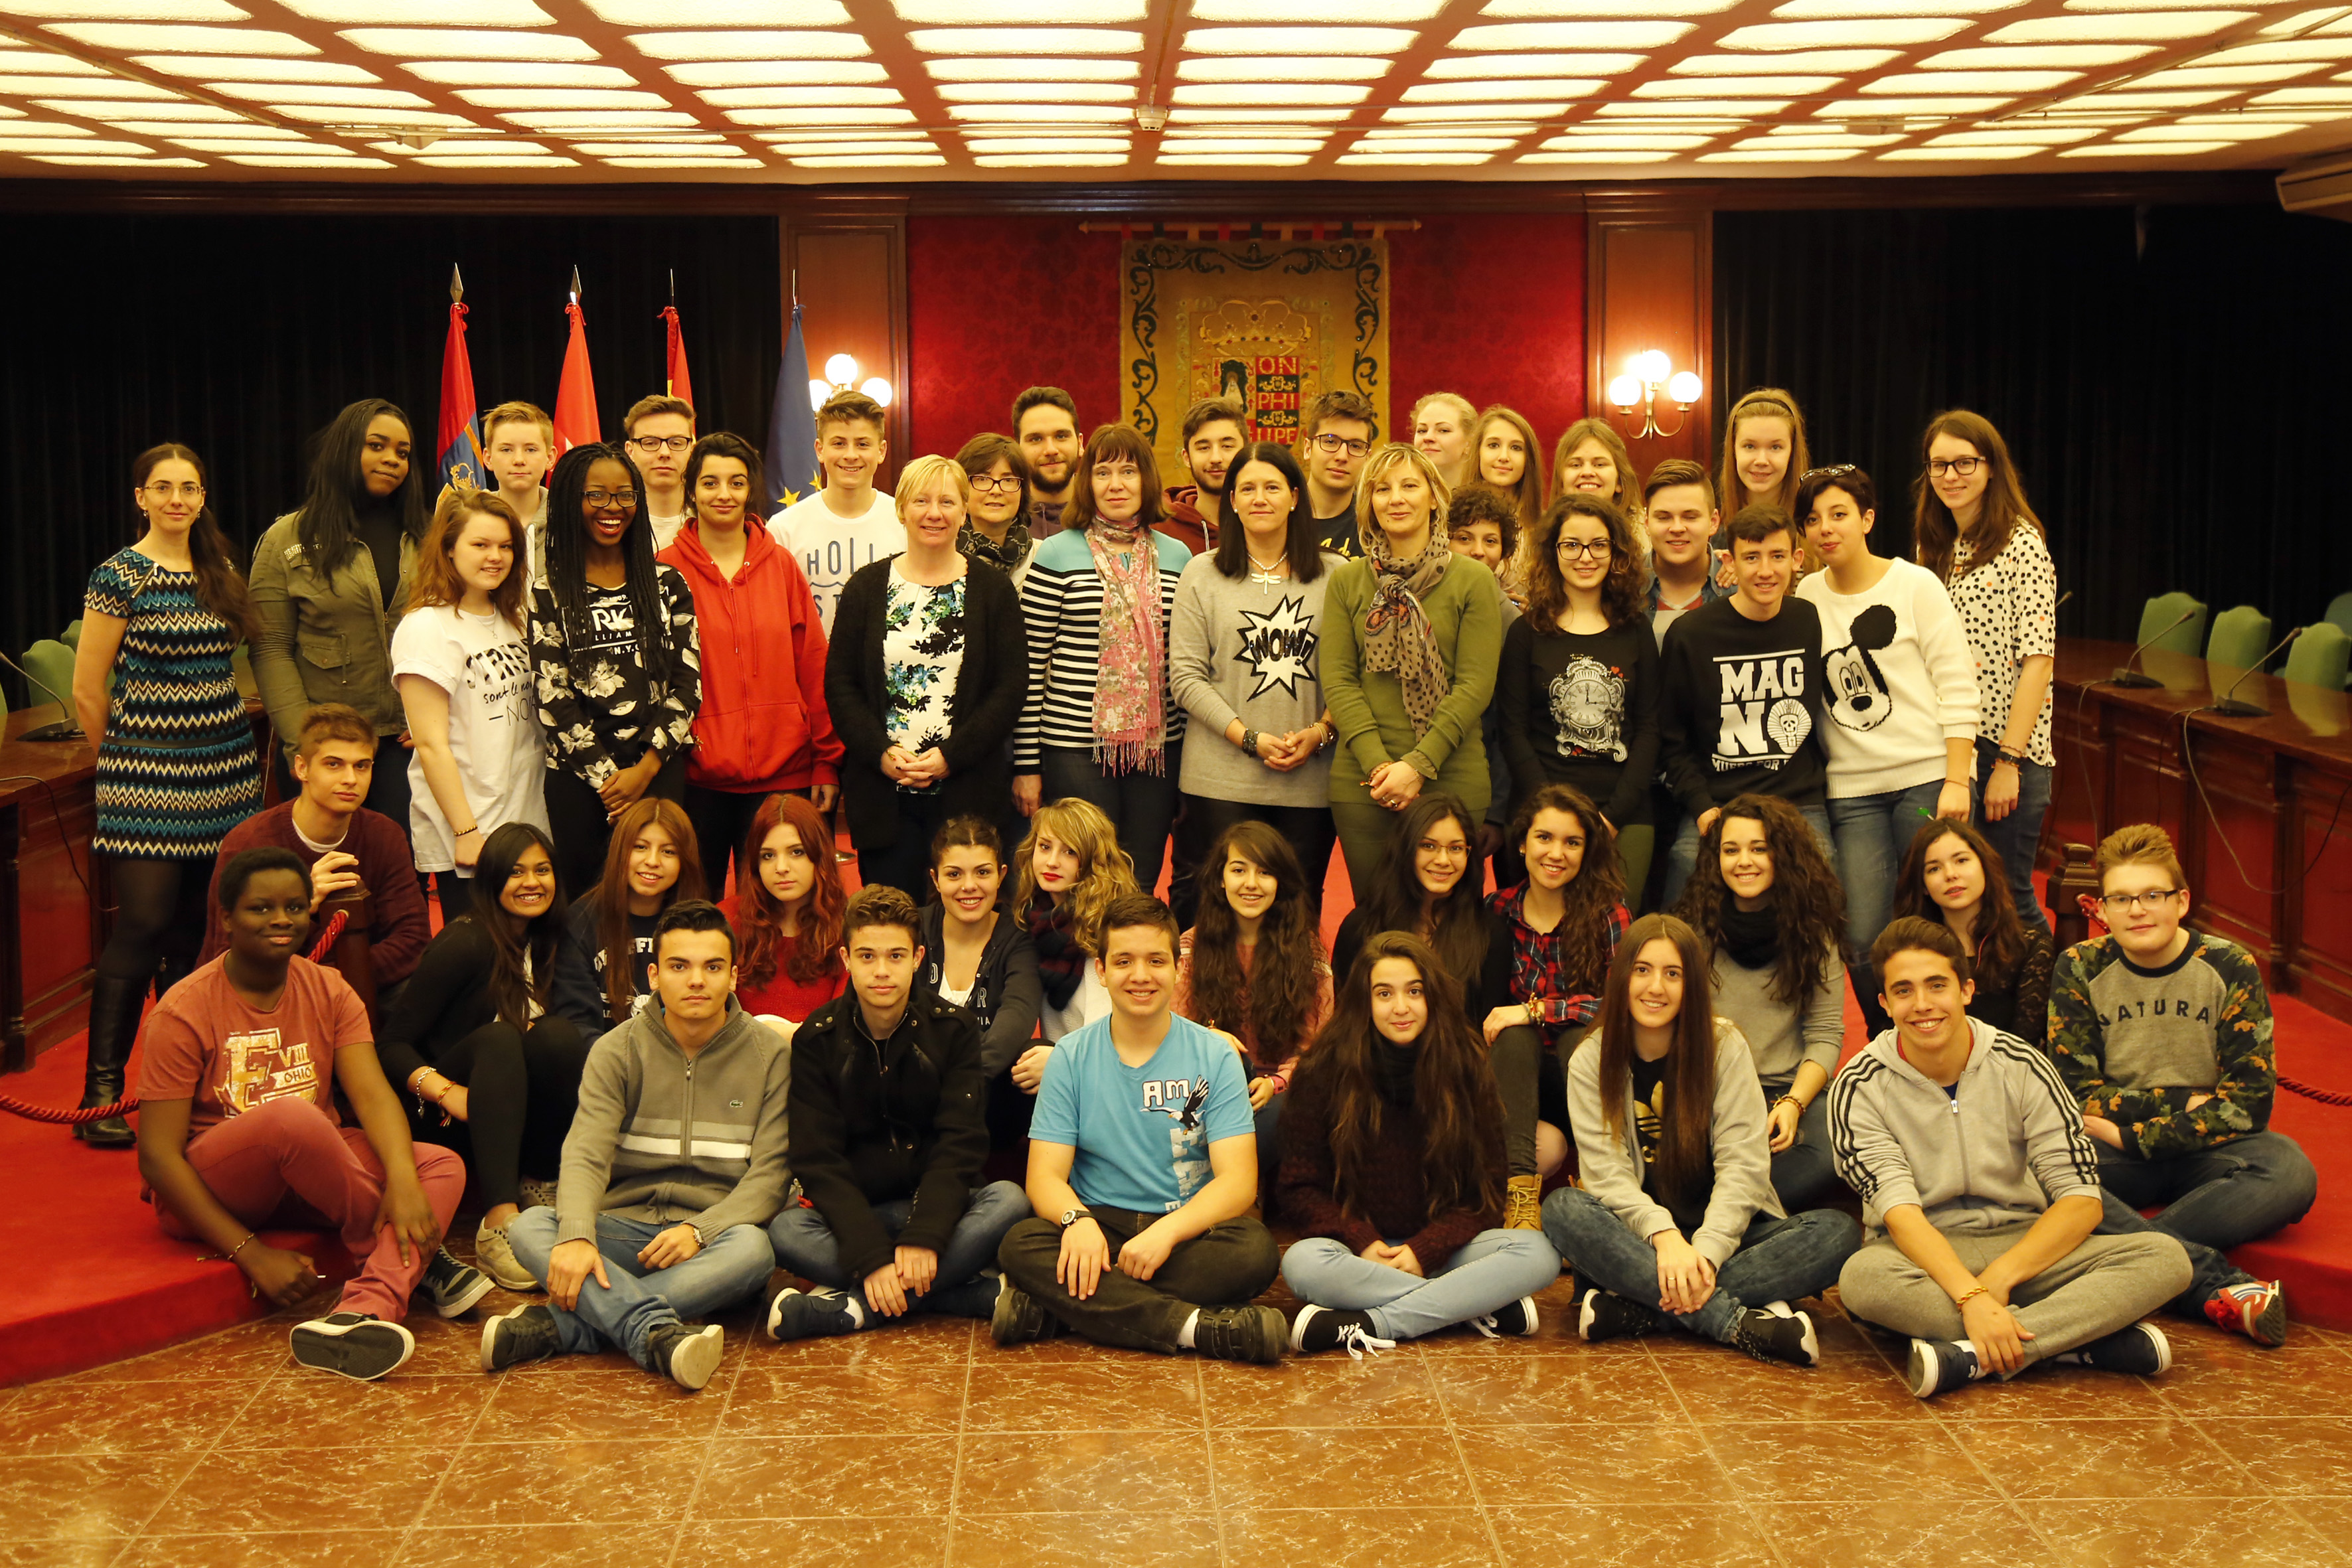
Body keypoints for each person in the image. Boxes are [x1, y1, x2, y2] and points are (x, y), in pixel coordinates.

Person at [137, 848, 478, 1381]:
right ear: (226, 918)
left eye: (295, 907)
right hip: (215, 1186)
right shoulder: (182, 1011)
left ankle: (365, 1310)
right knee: (292, 1119)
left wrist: (404, 1180)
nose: (281, 920)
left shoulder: (328, 988)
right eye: (261, 908)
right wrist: (251, 1254)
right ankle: (413, 1256)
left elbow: (372, 1096)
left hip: (313, 1169)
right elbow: (158, 1158)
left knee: (439, 1165)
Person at [1832, 917, 2191, 1399]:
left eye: (1936, 985)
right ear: (1884, 1004)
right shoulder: (1859, 1085)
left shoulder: (2022, 1064)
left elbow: (2082, 1200)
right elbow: (1900, 1215)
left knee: (2164, 1258)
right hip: (1922, 1254)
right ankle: (2075, 1342)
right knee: (1862, 1280)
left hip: (2025, 1247)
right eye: (1903, 991)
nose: (1921, 1004)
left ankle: (1972, 1355)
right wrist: (1970, 1295)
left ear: (1966, 990)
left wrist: (1996, 1284)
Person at [489, 901, 793, 1391]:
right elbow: (586, 1153)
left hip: (712, 1241)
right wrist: (579, 1235)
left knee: (755, 1249)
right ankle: (652, 1332)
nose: (697, 981)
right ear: (654, 976)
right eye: (679, 966)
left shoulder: (771, 1055)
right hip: (624, 1231)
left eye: (713, 967)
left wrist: (701, 1230)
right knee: (530, 1226)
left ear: (734, 976)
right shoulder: (617, 1049)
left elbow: (772, 1176)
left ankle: (568, 1326)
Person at [1543, 914, 1860, 1363]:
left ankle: (1638, 1309)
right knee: (1563, 1210)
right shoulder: (1590, 1060)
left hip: (1727, 1239)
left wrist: (1706, 1254)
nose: (1656, 987)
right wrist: (1665, 1238)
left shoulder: (1724, 1046)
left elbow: (1744, 1168)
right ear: (1621, 978)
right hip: (1640, 1240)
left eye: (1672, 974)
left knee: (1836, 1233)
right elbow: (1606, 1176)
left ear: (1691, 984)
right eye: (1642, 970)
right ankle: (1735, 1322)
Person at [2047, 823, 2315, 1346]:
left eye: (2152, 895)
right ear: (2101, 910)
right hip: (2112, 1151)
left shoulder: (2227, 965)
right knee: (2033, 1171)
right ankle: (2206, 1280)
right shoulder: (2079, 966)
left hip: (2204, 1147)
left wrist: (2134, 1135)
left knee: (2288, 1171)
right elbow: (2076, 1094)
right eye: (2121, 899)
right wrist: (2179, 1104)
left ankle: (2123, 1258)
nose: (2137, 910)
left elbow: (2248, 1105)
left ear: (2182, 901)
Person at [70, 442, 266, 1147]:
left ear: (203, 497)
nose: (177, 499)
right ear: (141, 497)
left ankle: (177, 1088)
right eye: (163, 487)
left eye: (189, 487)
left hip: (226, 773)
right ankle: (100, 1094)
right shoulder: (118, 575)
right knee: (143, 925)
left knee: (196, 933)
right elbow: (87, 689)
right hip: (143, 778)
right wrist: (124, 758)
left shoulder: (222, 570)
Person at [992, 894, 1287, 1361]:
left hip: (1185, 1230)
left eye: (1156, 961)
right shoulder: (1069, 1057)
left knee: (1254, 1252)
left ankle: (1066, 1310)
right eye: (1124, 961)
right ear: (1102, 970)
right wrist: (1077, 1222)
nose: (1141, 976)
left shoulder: (1216, 1055)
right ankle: (1197, 1328)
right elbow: (1044, 1178)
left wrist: (1166, 1234)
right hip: (1098, 1223)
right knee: (1019, 1244)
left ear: (1177, 969)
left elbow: (1237, 1182)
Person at [765, 885, 1033, 1338]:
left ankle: (855, 1308)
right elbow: (817, 1160)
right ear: (847, 960)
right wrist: (870, 1256)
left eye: (895, 956)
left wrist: (925, 1234)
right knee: (786, 1230)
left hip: (936, 1205)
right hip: (859, 1211)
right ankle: (959, 1295)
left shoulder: (955, 1029)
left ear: (917, 958)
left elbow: (960, 1143)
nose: (881, 971)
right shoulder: (816, 1037)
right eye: (867, 957)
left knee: (1008, 1201)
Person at [1281, 932, 1561, 1354]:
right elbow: (1299, 1188)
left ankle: (1371, 1323)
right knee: (1302, 1263)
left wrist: (1426, 1249)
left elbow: (1486, 1195)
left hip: (1444, 1250)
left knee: (1538, 1253)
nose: (1401, 1007)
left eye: (1414, 991)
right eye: (1384, 993)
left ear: (1432, 996)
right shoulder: (1323, 1069)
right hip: (1358, 1252)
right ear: (1363, 1001)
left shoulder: (1466, 1065)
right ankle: (1470, 1305)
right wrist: (1359, 1238)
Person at [1794, 464, 1979, 1030]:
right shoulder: (1805, 595)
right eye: (1812, 520)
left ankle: (1955, 1040)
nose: (1826, 529)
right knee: (1861, 936)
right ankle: (1890, 1043)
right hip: (1852, 792)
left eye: (1839, 515)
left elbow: (1957, 683)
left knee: (1940, 920)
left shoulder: (1914, 584)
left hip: (1927, 778)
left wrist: (1956, 779)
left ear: (1868, 518)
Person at [377, 823, 589, 1293]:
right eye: (515, 872)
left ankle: (540, 1182)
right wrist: (447, 1092)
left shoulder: (549, 939)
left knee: (558, 1036)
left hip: (509, 1113)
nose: (531, 882)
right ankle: (497, 1224)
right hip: (444, 1113)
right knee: (499, 1039)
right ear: (491, 878)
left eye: (542, 870)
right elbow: (390, 1044)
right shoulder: (466, 942)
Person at [829, 453, 1027, 899]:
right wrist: (881, 753)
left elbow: (1010, 686)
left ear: (964, 511)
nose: (934, 513)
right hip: (884, 793)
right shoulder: (865, 587)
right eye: (921, 500)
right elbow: (841, 685)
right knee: (890, 919)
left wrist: (950, 757)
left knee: (966, 918)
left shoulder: (993, 590)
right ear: (901, 509)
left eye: (947, 502)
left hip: (968, 791)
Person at [1167, 440, 1340, 927]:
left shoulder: (1337, 576)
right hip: (1217, 781)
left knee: (1294, 918)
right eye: (1247, 488)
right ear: (1233, 501)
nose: (1259, 498)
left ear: (1295, 497)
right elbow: (1186, 678)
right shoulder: (1201, 573)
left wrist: (1321, 732)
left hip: (1309, 783)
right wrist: (1248, 738)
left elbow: (1352, 676)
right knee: (1211, 915)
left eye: (1272, 487)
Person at [660, 431, 840, 898]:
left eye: (736, 483)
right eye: (710, 483)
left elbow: (813, 666)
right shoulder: (664, 569)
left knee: (777, 911)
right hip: (698, 780)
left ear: (750, 489)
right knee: (695, 909)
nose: (723, 494)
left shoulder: (780, 565)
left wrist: (826, 762)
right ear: (691, 489)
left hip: (784, 776)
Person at [1014, 424, 1192, 892]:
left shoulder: (1178, 556)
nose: (1116, 484)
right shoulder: (1056, 553)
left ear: (1147, 478)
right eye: (1103, 472)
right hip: (1074, 747)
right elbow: (1029, 667)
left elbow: (1189, 662)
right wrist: (1026, 765)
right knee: (1085, 879)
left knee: (1141, 876)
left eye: (1128, 471)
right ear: (1086, 481)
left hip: (1159, 749)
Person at [1320, 443, 1502, 899]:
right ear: (1369, 504)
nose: (1396, 499)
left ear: (1434, 498)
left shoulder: (1474, 580)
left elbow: (1475, 685)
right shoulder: (1346, 580)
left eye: (1409, 486)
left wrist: (1418, 766)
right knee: (1376, 917)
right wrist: (1382, 768)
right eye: (1382, 489)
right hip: (1365, 782)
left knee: (1450, 920)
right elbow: (1339, 682)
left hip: (1453, 773)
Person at [529, 441, 699, 902]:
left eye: (625, 495)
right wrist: (609, 781)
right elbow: (552, 696)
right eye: (597, 495)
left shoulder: (668, 584)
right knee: (589, 909)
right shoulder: (548, 592)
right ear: (571, 501)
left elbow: (688, 685)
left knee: (659, 903)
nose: (613, 507)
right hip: (579, 783)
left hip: (656, 770)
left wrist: (643, 772)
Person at [248, 397, 425, 826]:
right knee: (326, 864)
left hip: (407, 743)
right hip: (323, 748)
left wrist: (437, 721)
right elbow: (270, 648)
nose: (392, 459)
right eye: (376, 446)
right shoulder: (286, 537)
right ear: (346, 448)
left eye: (402, 452)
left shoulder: (429, 533)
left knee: (401, 861)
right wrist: (304, 742)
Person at [1915, 409, 2059, 932]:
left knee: (2009, 899)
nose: (1950, 476)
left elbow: (2038, 661)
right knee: (1955, 902)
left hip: (2005, 751)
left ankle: (2052, 987)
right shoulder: (1933, 546)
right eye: (1938, 465)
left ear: (1990, 466)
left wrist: (2008, 763)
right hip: (1950, 746)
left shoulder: (2022, 544)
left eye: (1964, 463)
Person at [1676, 795, 1849, 1210]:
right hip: (1709, 1087)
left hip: (1783, 1089)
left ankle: (1720, 1212)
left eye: (1759, 848)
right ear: (1716, 859)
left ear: (1782, 855)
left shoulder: (1815, 933)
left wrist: (1794, 1104)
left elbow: (1825, 1035)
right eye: (1731, 850)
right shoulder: (1692, 929)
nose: (1744, 862)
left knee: (1834, 1148)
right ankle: (1742, 1214)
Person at [1655, 502, 1832, 907]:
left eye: (1777, 556)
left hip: (1798, 801)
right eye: (1752, 558)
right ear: (1730, 563)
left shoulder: (1808, 620)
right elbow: (1672, 740)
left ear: (1797, 559)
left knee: (1824, 886)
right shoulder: (1691, 635)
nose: (1765, 570)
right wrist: (1701, 808)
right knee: (1684, 877)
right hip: (1719, 801)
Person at [198, 704, 431, 996]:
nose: (351, 779)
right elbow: (229, 955)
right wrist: (300, 906)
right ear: (302, 768)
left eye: (361, 765)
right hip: (267, 996)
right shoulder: (248, 843)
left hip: (356, 986)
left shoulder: (385, 835)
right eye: (334, 764)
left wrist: (332, 982)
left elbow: (413, 939)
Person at [392, 486, 547, 922]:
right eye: (480, 545)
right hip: (471, 828)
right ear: (448, 549)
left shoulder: (516, 616)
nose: (495, 557)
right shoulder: (427, 626)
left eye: (505, 546)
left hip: (527, 818)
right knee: (483, 953)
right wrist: (466, 831)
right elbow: (430, 745)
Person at [1499, 493, 1661, 900]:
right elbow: (1513, 731)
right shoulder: (1525, 632)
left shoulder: (1637, 629)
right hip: (1543, 808)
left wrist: (1612, 817)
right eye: (1571, 545)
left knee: (1617, 930)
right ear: (1553, 552)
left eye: (1598, 545)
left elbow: (1650, 729)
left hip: (1623, 812)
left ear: (1616, 552)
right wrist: (1555, 814)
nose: (1585, 557)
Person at [1484, 785, 1630, 1214]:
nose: (1556, 853)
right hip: (1514, 1082)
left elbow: (1623, 1004)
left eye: (1572, 842)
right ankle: (1518, 1199)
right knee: (1514, 1038)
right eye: (1544, 838)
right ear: (1522, 843)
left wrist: (1536, 1010)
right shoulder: (1495, 909)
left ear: (1586, 852)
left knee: (1578, 1038)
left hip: (1587, 1080)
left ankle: (1599, 1187)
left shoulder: (1610, 913)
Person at [1177, 821, 1334, 1200]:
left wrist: (1276, 1083)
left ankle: (1236, 1196)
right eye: (1239, 870)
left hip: (1280, 1091)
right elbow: (1172, 1030)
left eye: (1265, 872)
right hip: (1209, 1084)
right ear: (1220, 879)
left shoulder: (1307, 951)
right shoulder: (1192, 947)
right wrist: (1208, 1038)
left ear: (1280, 882)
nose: (1251, 884)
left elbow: (1318, 1047)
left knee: (1279, 1114)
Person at [914, 817, 1044, 1148]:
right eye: (954, 874)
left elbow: (1016, 1019)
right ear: (936, 879)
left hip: (986, 1097)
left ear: (1001, 875)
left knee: (1038, 1056)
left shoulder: (1019, 938)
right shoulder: (913, 929)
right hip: (913, 1088)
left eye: (982, 873)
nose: (969, 886)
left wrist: (954, 1083)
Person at [552, 797, 707, 1037]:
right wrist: (621, 1058)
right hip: (602, 1056)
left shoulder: (702, 925)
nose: (652, 861)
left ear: (684, 861)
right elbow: (576, 1025)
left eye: (668, 851)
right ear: (619, 851)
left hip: (681, 1055)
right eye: (640, 847)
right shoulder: (580, 921)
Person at [1891, 817, 2052, 1044]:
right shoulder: (1906, 947)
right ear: (1923, 886)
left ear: (1985, 866)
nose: (1950, 874)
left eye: (1961, 860)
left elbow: (2025, 1043)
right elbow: (1892, 1031)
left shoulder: (2031, 945)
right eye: (1934, 868)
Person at [765, 388, 902, 635]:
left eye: (862, 444)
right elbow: (773, 618)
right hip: (811, 659)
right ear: (820, 449)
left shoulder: (905, 523)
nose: (851, 455)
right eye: (839, 444)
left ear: (881, 451)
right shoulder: (783, 529)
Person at [721, 791, 850, 1026]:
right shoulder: (728, 920)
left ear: (819, 856)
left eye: (796, 852)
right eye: (768, 855)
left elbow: (845, 1025)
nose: (781, 867)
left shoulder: (848, 926)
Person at [1715, 388, 1811, 571]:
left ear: (1792, 452)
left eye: (1775, 447)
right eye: (1750, 446)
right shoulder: (1711, 530)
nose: (1761, 460)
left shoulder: (1814, 527)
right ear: (1733, 449)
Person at [1640, 458, 1727, 639]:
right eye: (1664, 518)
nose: (1677, 528)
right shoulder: (1622, 585)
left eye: (1690, 517)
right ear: (1646, 523)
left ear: (1713, 522)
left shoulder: (1737, 586)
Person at [1472, 404, 1546, 588]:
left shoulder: (1544, 527)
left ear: (1528, 459)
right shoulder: (1451, 519)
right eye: (1493, 445)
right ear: (1478, 452)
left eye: (1516, 448)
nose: (1504, 456)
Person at [1299, 388, 1378, 560]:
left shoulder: (1377, 524)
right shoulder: (1279, 516)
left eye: (1356, 446)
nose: (1342, 456)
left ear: (1368, 458)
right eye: (1330, 441)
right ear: (1308, 449)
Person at [1162, 396, 1245, 554]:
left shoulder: (1266, 522)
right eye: (1204, 448)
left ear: (1247, 451)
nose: (1216, 458)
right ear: (1187, 458)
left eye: (1227, 446)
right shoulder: (1161, 528)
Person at [955, 431, 1034, 583]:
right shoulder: (941, 554)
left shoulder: (1044, 557)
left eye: (1008, 480)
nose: (996, 490)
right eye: (983, 479)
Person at [623, 393, 696, 551]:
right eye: (650, 443)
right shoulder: (614, 525)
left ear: (692, 450)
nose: (664, 453)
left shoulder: (712, 524)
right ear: (630, 451)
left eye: (676, 443)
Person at [481, 400, 552, 562]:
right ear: (488, 458)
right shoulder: (469, 521)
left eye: (531, 450)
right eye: (506, 450)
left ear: (550, 457)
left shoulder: (571, 520)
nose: (519, 460)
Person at [1012, 386, 1082, 534]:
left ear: (1080, 444)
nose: (1051, 450)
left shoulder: (1109, 514)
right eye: (1036, 439)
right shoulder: (1002, 522)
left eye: (1061, 436)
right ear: (1017, 449)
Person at [1550, 416, 1640, 529]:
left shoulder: (1647, 533)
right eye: (1576, 465)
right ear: (1561, 482)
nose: (1587, 472)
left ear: (1619, 481)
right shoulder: (1542, 534)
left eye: (1600, 465)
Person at [1411, 390, 1477, 493]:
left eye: (1443, 430)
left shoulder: (1489, 499)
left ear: (1469, 443)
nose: (1428, 437)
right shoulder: (1401, 497)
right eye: (1422, 431)